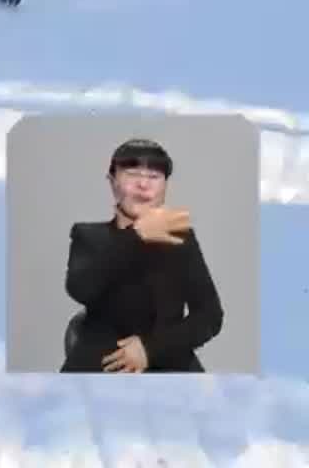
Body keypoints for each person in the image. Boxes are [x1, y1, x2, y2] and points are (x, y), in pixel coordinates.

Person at [60, 139, 224, 373]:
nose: (143, 185)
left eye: (154, 177)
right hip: (101, 363)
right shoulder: (89, 235)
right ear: (112, 182)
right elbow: (81, 289)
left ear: (165, 186)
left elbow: (210, 316)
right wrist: (135, 236)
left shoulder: (181, 239)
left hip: (168, 359)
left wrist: (149, 349)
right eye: (132, 173)